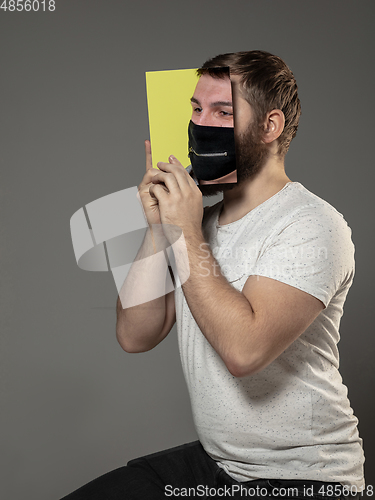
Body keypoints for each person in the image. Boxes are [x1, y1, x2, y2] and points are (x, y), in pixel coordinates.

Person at [62, 51, 365, 499]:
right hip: (220, 464)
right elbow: (136, 334)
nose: (201, 124)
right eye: (196, 109)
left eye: (223, 112)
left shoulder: (311, 224)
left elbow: (244, 352)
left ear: (270, 126)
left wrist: (183, 230)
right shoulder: (197, 224)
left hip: (305, 476)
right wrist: (159, 228)